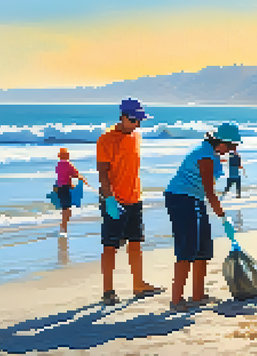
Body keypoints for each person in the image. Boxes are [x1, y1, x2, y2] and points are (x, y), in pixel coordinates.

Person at [164, 123, 240, 312]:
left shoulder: (213, 155)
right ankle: (176, 300)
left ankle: (198, 295)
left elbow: (206, 192)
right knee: (187, 247)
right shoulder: (205, 156)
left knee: (203, 248)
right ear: (220, 142)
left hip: (195, 198)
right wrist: (223, 216)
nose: (232, 150)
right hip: (181, 198)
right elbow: (210, 191)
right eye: (231, 146)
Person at [96, 98, 162, 306]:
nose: (138, 124)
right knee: (110, 246)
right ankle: (108, 291)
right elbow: (103, 173)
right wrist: (109, 199)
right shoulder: (105, 139)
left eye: (140, 120)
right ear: (123, 117)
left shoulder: (136, 136)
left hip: (135, 198)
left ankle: (138, 285)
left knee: (136, 242)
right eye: (134, 120)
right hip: (114, 200)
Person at [55, 148, 91, 236]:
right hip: (65, 188)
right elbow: (75, 173)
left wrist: (71, 183)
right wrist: (82, 179)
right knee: (67, 210)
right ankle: (64, 228)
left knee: (65, 208)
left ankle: (63, 227)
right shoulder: (67, 164)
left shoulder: (58, 165)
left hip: (59, 188)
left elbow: (63, 176)